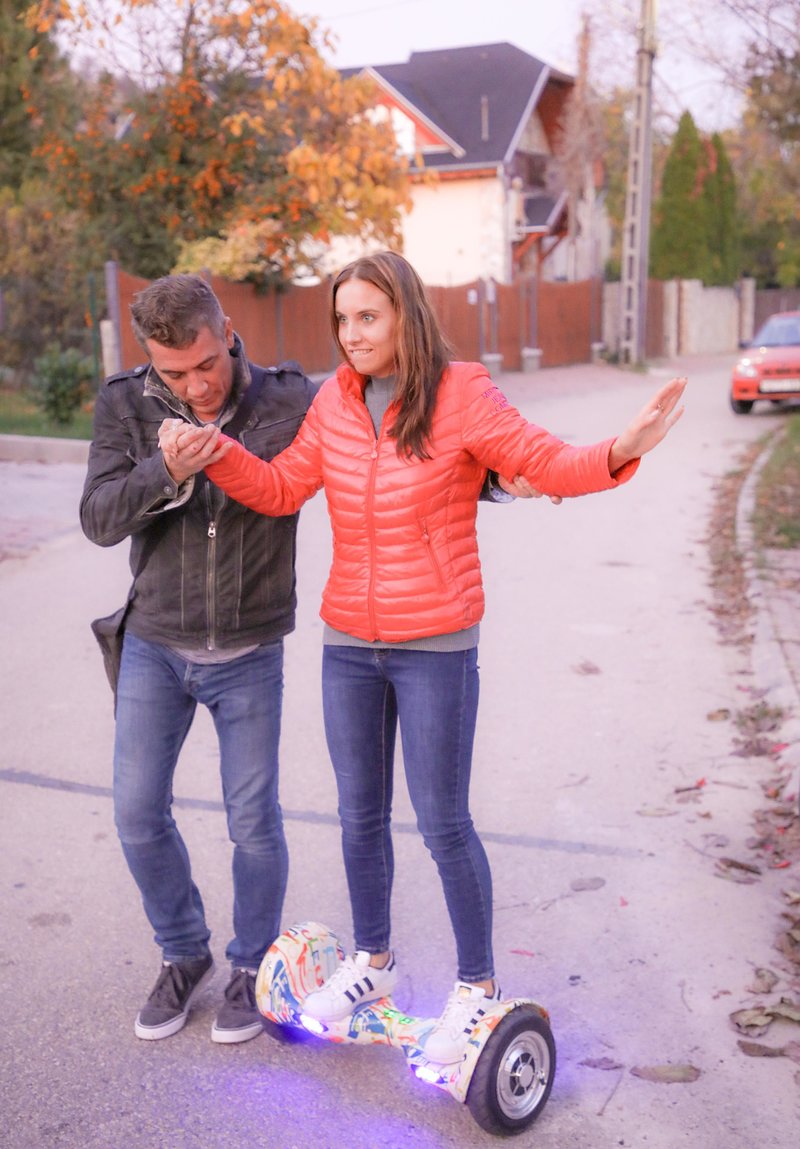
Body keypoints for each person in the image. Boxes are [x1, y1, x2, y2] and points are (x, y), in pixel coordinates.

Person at [159, 251, 686, 1065]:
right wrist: (215, 451)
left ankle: (476, 985)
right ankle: (374, 962)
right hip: (349, 646)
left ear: (406, 314)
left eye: (368, 316)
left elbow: (542, 460)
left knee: (443, 822)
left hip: (436, 644)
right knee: (359, 817)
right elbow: (282, 486)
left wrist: (621, 447)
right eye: (343, 319)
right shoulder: (334, 404)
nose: (352, 333)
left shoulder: (461, 393)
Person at [80, 274, 318, 1043]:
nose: (196, 385)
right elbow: (98, 519)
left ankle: (253, 966)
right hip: (156, 642)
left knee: (253, 821)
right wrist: (167, 471)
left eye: (207, 363)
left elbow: (374, 452)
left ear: (229, 331)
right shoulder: (126, 403)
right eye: (175, 372)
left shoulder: (289, 400)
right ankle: (184, 952)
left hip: (250, 646)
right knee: (136, 812)